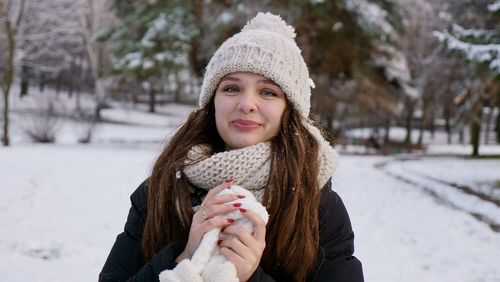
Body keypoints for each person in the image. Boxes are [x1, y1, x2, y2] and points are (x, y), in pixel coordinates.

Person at [99, 12, 363, 282]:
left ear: (290, 110)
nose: (247, 104)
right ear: (212, 101)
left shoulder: (317, 206)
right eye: (231, 88)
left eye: (268, 92)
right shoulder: (161, 190)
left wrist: (252, 278)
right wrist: (183, 258)